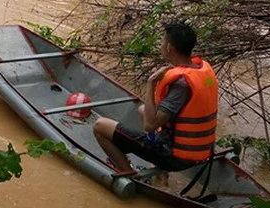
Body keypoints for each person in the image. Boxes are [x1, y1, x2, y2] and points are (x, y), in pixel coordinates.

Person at [93, 22, 218, 174]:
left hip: (176, 157)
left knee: (100, 126)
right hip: (202, 151)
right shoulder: (200, 69)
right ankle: (161, 176)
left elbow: (150, 125)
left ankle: (127, 172)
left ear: (169, 48)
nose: (161, 45)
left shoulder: (181, 84)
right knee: (141, 110)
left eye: (162, 42)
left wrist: (151, 83)